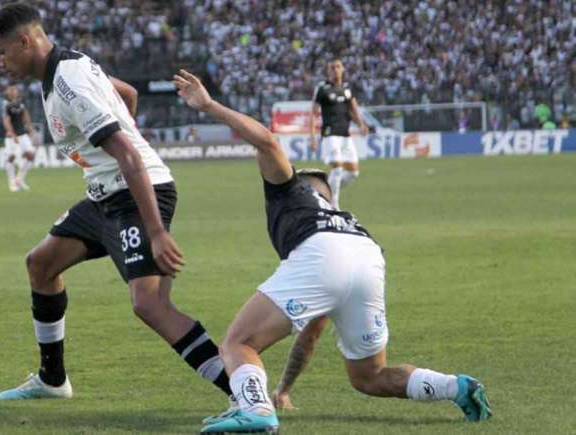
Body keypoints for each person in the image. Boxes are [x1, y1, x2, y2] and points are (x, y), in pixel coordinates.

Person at [172, 69, 492, 434]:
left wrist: (210, 105)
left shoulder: (289, 190)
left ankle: (255, 408)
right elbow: (311, 331)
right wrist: (284, 388)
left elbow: (268, 143)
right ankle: (458, 386)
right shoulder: (343, 215)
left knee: (239, 343)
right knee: (369, 376)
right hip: (368, 255)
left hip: (322, 254)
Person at [0, 3, 233, 403]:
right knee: (41, 264)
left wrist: (154, 231)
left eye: (1, 52)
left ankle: (244, 391)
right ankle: (53, 380)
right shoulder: (67, 69)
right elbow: (128, 94)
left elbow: (130, 157)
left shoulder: (68, 81)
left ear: (25, 41)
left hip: (137, 193)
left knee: (150, 304)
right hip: (106, 195)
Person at [310, 59, 368, 210]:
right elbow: (313, 114)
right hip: (330, 134)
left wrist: (361, 124)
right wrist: (313, 136)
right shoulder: (322, 88)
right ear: (328, 71)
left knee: (353, 173)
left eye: (338, 67)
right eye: (332, 67)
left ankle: (322, 192)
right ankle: (333, 205)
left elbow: (353, 109)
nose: (335, 70)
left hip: (345, 135)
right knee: (337, 168)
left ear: (343, 69)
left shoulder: (347, 88)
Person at [2, 85, 37, 192]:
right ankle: (12, 182)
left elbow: (25, 117)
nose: (14, 91)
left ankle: (20, 178)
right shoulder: (6, 104)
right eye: (12, 90)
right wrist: (12, 135)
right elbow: (6, 121)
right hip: (11, 136)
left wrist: (31, 129)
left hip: (22, 134)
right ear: (8, 93)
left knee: (31, 154)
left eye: (15, 89)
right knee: (11, 157)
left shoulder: (21, 104)